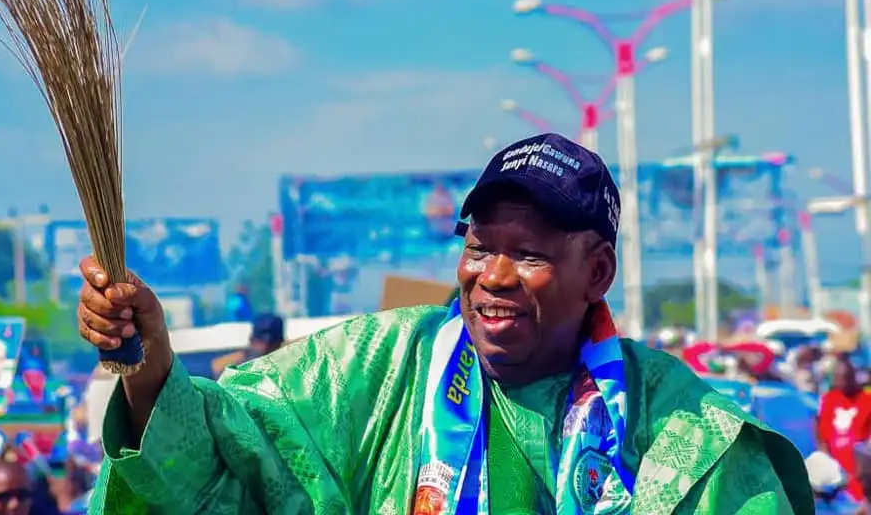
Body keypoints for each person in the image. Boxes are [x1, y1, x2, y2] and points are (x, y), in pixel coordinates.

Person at [78, 133, 811, 513]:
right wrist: (149, 363)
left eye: (527, 255)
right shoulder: (379, 365)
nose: (491, 275)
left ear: (597, 274)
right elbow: (229, 442)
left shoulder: (684, 431)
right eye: (479, 245)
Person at [816, 356, 871, 501]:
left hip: (860, 471)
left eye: (847, 377)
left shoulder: (866, 400)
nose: (843, 382)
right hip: (837, 472)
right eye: (839, 378)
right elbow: (822, 436)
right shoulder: (828, 400)